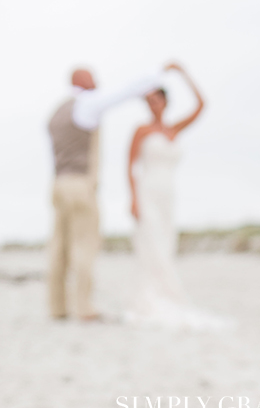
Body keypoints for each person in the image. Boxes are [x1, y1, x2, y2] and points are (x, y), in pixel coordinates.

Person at [46, 66, 165, 321]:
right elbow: (126, 92)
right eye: (92, 77)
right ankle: (84, 307)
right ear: (81, 81)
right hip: (80, 184)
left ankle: (56, 307)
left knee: (59, 248)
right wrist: (157, 75)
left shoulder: (57, 112)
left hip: (58, 183)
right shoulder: (88, 104)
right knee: (85, 245)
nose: (97, 81)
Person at [125, 63, 230, 330]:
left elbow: (201, 105)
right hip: (147, 191)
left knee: (166, 245)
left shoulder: (173, 130)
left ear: (165, 101)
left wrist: (183, 73)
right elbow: (130, 166)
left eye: (155, 99)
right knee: (151, 247)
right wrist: (133, 198)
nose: (152, 105)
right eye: (147, 101)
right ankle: (148, 299)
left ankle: (167, 296)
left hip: (168, 195)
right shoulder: (142, 131)